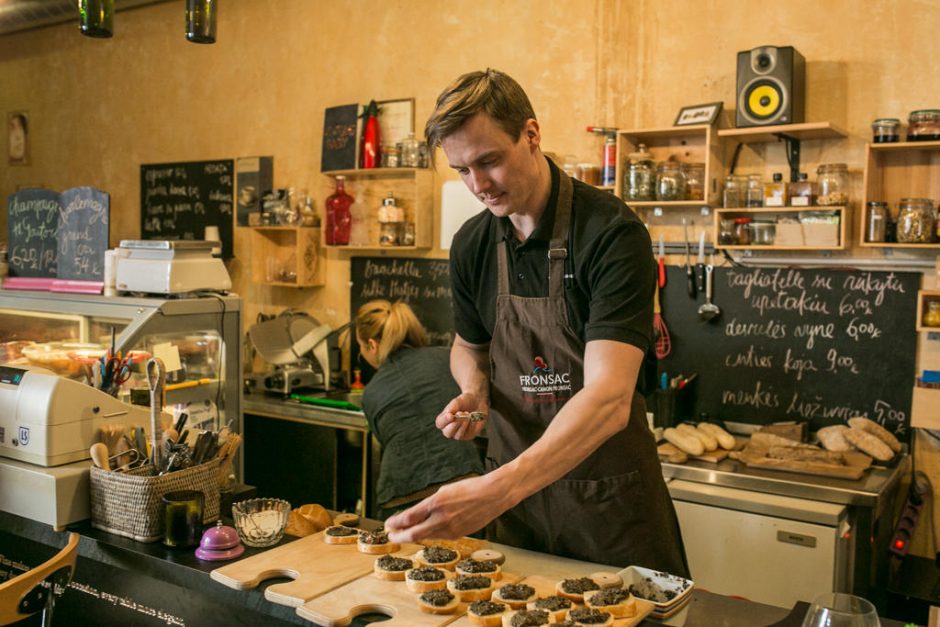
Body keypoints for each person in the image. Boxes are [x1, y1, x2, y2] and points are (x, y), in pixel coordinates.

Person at [385, 69, 688, 576]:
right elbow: (468, 345)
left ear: (531, 134)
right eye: (461, 170)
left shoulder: (611, 234)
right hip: (518, 511)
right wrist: (475, 390)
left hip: (607, 506)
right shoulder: (472, 244)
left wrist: (493, 490)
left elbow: (610, 399)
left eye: (489, 161)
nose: (478, 185)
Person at [355, 299, 483, 520]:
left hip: (404, 495)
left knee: (407, 555)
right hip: (465, 484)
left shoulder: (372, 391)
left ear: (372, 345)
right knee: (467, 554)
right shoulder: (448, 358)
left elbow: (384, 439)